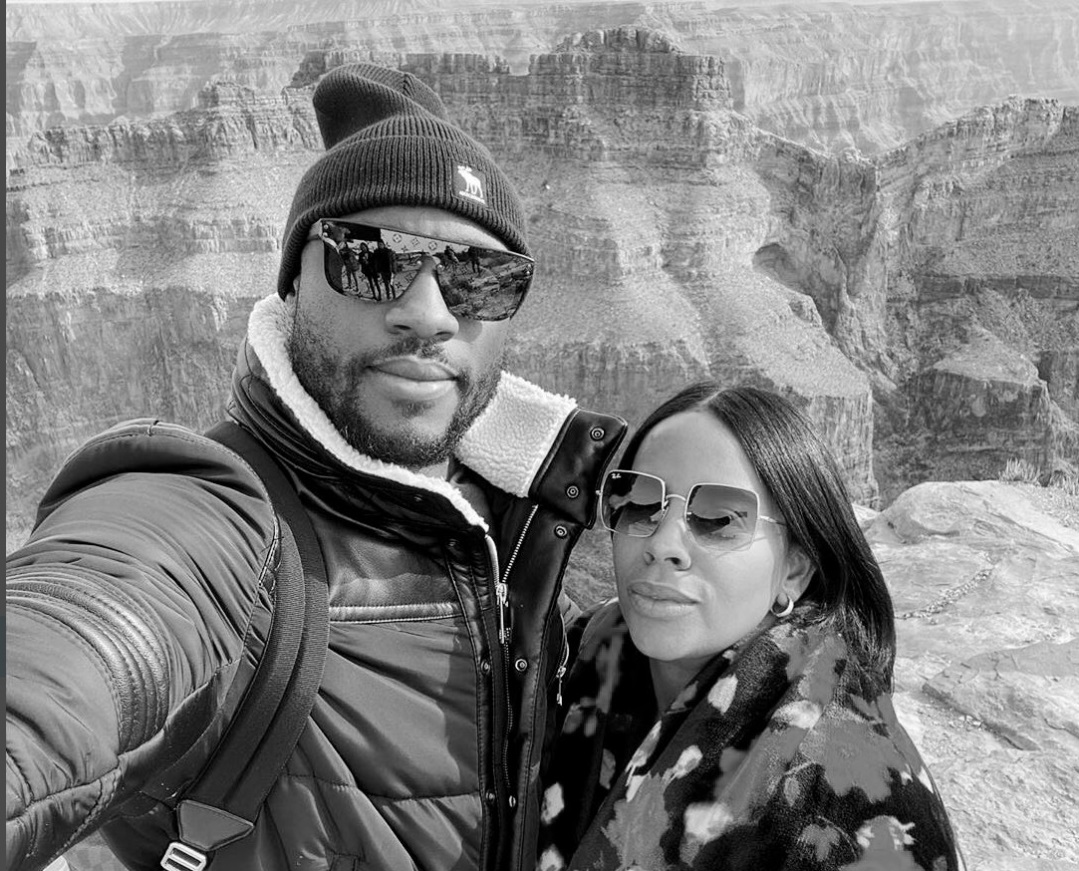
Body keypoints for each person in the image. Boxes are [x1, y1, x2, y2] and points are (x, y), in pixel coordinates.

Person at [5, 63, 626, 871]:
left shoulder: (520, 522)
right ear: (293, 282)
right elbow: (89, 623)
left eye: (479, 276)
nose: (430, 314)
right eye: (370, 260)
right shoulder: (216, 508)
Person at [537, 383, 964, 871]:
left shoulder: (849, 797)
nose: (662, 543)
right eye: (637, 501)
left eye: (717, 518)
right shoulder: (575, 660)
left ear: (795, 569)